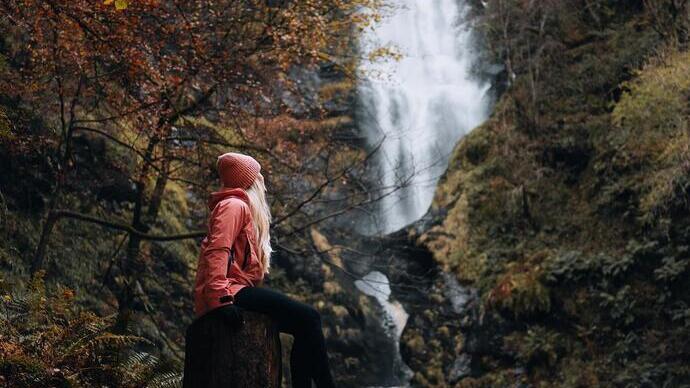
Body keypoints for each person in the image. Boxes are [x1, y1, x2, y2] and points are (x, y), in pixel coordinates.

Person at [193, 152, 336, 388]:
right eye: (257, 175)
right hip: (230, 291)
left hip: (237, 289)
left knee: (304, 325)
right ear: (250, 181)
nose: (262, 181)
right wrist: (221, 300)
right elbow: (217, 251)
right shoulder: (233, 206)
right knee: (309, 318)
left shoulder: (239, 207)